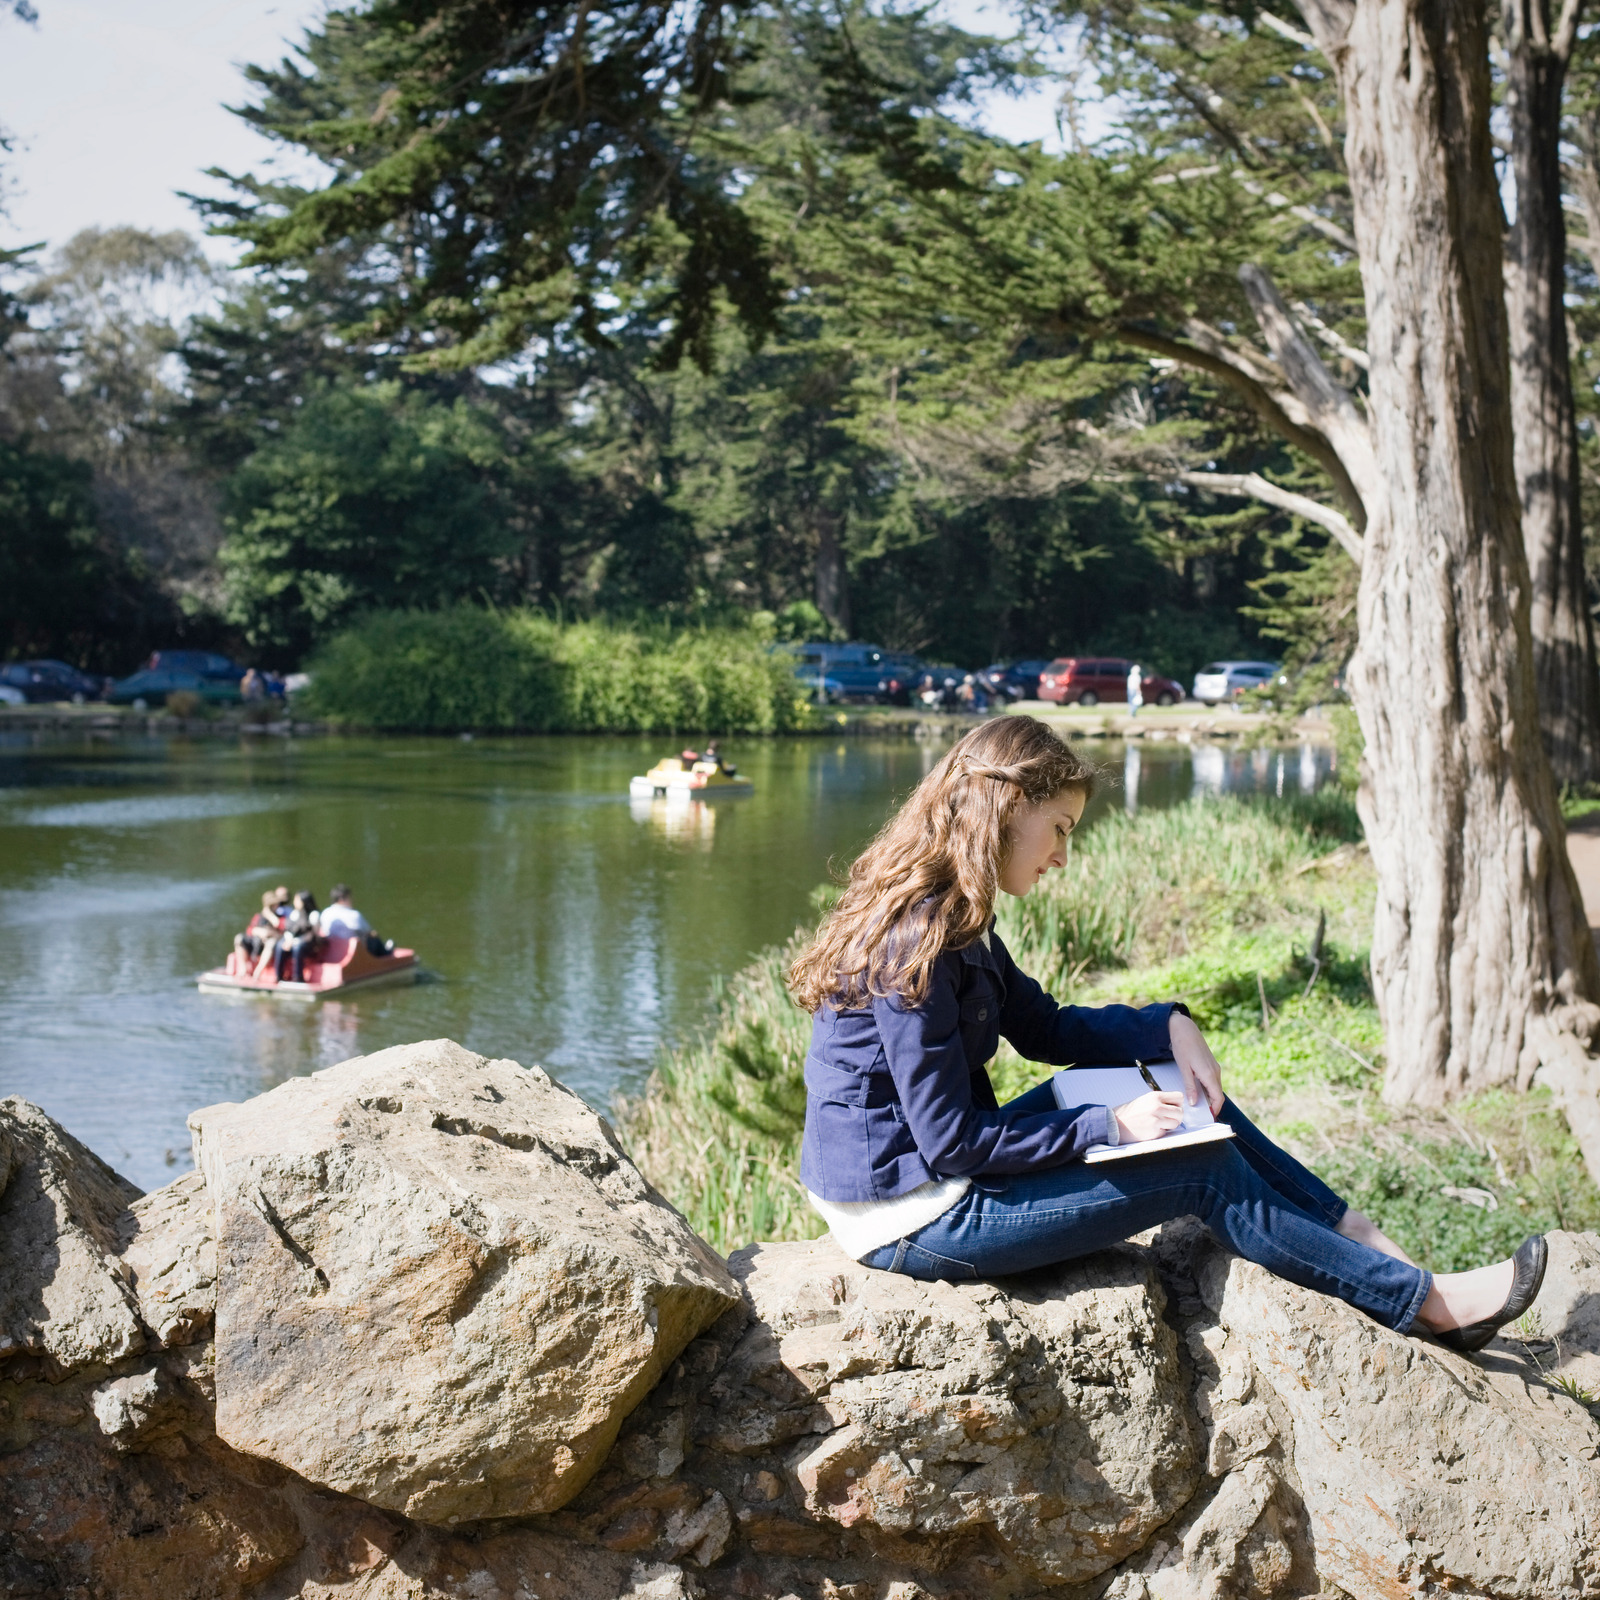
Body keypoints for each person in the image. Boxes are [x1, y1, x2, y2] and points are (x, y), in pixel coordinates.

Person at [786, 716, 1546, 1354]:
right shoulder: (915, 940)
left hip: (938, 1169)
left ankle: (1354, 1235)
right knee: (1201, 1171)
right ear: (1007, 806)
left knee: (1176, 1091)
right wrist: (1105, 1126)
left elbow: (1044, 1029)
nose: (1061, 856)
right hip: (912, 1210)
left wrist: (1166, 1024)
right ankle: (1428, 1307)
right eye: (1059, 828)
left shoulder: (958, 915)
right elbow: (950, 1141)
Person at [321, 883, 394, 956]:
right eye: (349, 898)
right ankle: (387, 952)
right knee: (374, 938)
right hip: (353, 954)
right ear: (341, 899)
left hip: (334, 951)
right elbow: (370, 932)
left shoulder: (324, 913)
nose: (352, 900)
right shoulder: (354, 915)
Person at [273, 890, 322, 983]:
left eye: (297, 899)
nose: (295, 902)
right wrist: (289, 939)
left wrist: (295, 941)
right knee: (280, 945)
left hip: (308, 945)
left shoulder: (313, 914)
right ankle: (278, 976)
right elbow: (289, 929)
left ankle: (298, 978)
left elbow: (312, 934)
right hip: (293, 942)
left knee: (298, 946)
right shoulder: (294, 914)